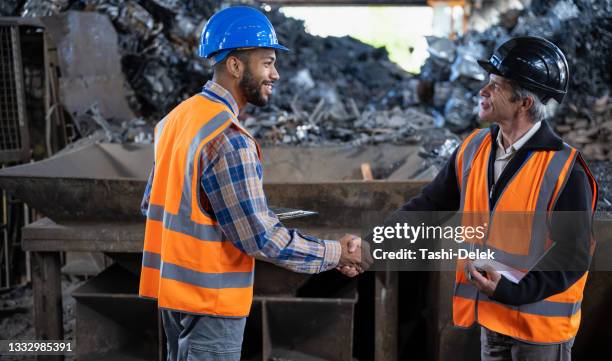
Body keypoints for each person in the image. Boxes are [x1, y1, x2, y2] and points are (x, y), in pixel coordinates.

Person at [138, 6, 371, 361]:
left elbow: (153, 202)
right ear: (235, 65)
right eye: (266, 62)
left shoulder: (177, 119)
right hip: (211, 304)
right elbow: (261, 238)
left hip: (173, 297)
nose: (275, 74)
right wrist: (336, 253)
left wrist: (231, 212)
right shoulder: (229, 138)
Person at [397, 36, 597, 360]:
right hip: (492, 321)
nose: (482, 92)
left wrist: (512, 291)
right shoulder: (474, 148)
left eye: (496, 85)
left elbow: (574, 255)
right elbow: (430, 206)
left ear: (524, 103)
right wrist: (375, 241)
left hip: (539, 335)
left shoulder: (566, 170)